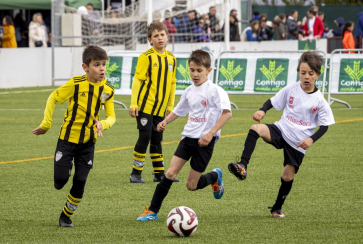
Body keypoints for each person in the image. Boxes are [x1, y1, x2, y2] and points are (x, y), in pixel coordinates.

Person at [228, 51, 335, 218]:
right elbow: (272, 101)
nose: (306, 77)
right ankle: (242, 165)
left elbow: (325, 125)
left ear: (318, 75)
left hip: (299, 142)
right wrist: (262, 110)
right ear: (298, 72)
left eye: (310, 73)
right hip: (282, 129)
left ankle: (277, 208)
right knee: (255, 128)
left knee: (287, 175)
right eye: (303, 72)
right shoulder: (292, 88)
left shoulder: (320, 100)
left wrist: (311, 139)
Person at [136, 49, 232, 221]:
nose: (195, 74)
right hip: (187, 138)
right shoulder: (188, 91)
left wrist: (210, 134)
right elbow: (179, 111)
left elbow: (227, 113)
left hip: (205, 142)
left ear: (209, 71)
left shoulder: (215, 91)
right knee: (170, 174)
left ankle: (214, 176)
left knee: (191, 185)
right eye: (192, 70)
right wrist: (165, 121)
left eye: (199, 70)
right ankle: (152, 211)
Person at [32, 45, 116, 227]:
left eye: (103, 64)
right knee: (60, 181)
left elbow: (111, 116)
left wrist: (103, 124)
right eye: (96, 64)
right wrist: (46, 123)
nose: (102, 68)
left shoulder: (108, 89)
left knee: (80, 180)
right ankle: (63, 170)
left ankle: (65, 216)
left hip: (88, 143)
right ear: (85, 67)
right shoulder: (76, 83)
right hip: (67, 141)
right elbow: (53, 97)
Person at [129, 21, 178, 183]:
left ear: (167, 36)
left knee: (157, 139)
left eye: (162, 34)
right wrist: (133, 103)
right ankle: (136, 173)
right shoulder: (146, 57)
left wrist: (170, 106)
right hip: (145, 106)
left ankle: (159, 174)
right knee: (145, 137)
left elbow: (172, 84)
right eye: (155, 36)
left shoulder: (172, 59)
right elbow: (137, 80)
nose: (160, 38)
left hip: (160, 109)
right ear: (150, 40)